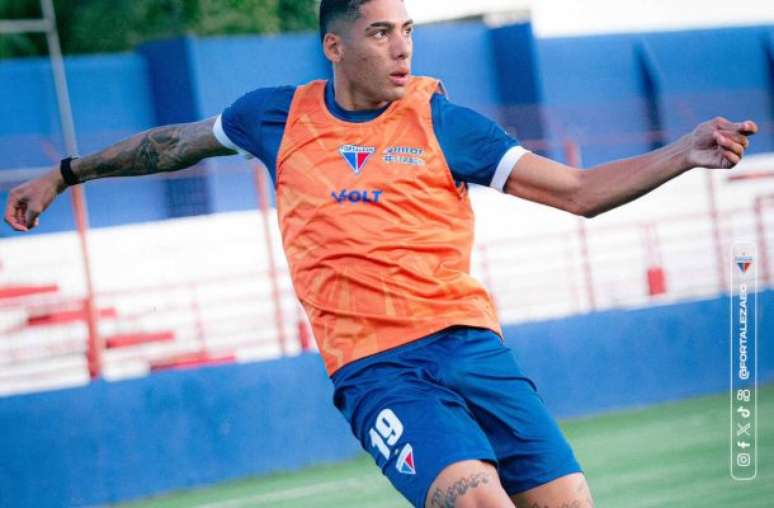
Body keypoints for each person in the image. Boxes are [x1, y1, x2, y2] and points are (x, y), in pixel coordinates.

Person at [4, 0, 758, 506]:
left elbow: (579, 191)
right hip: (379, 369)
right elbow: (172, 145)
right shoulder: (276, 117)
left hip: (474, 348)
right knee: (478, 502)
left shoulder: (444, 122)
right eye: (380, 33)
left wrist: (682, 152)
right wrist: (66, 173)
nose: (401, 48)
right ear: (335, 46)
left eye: (407, 30)